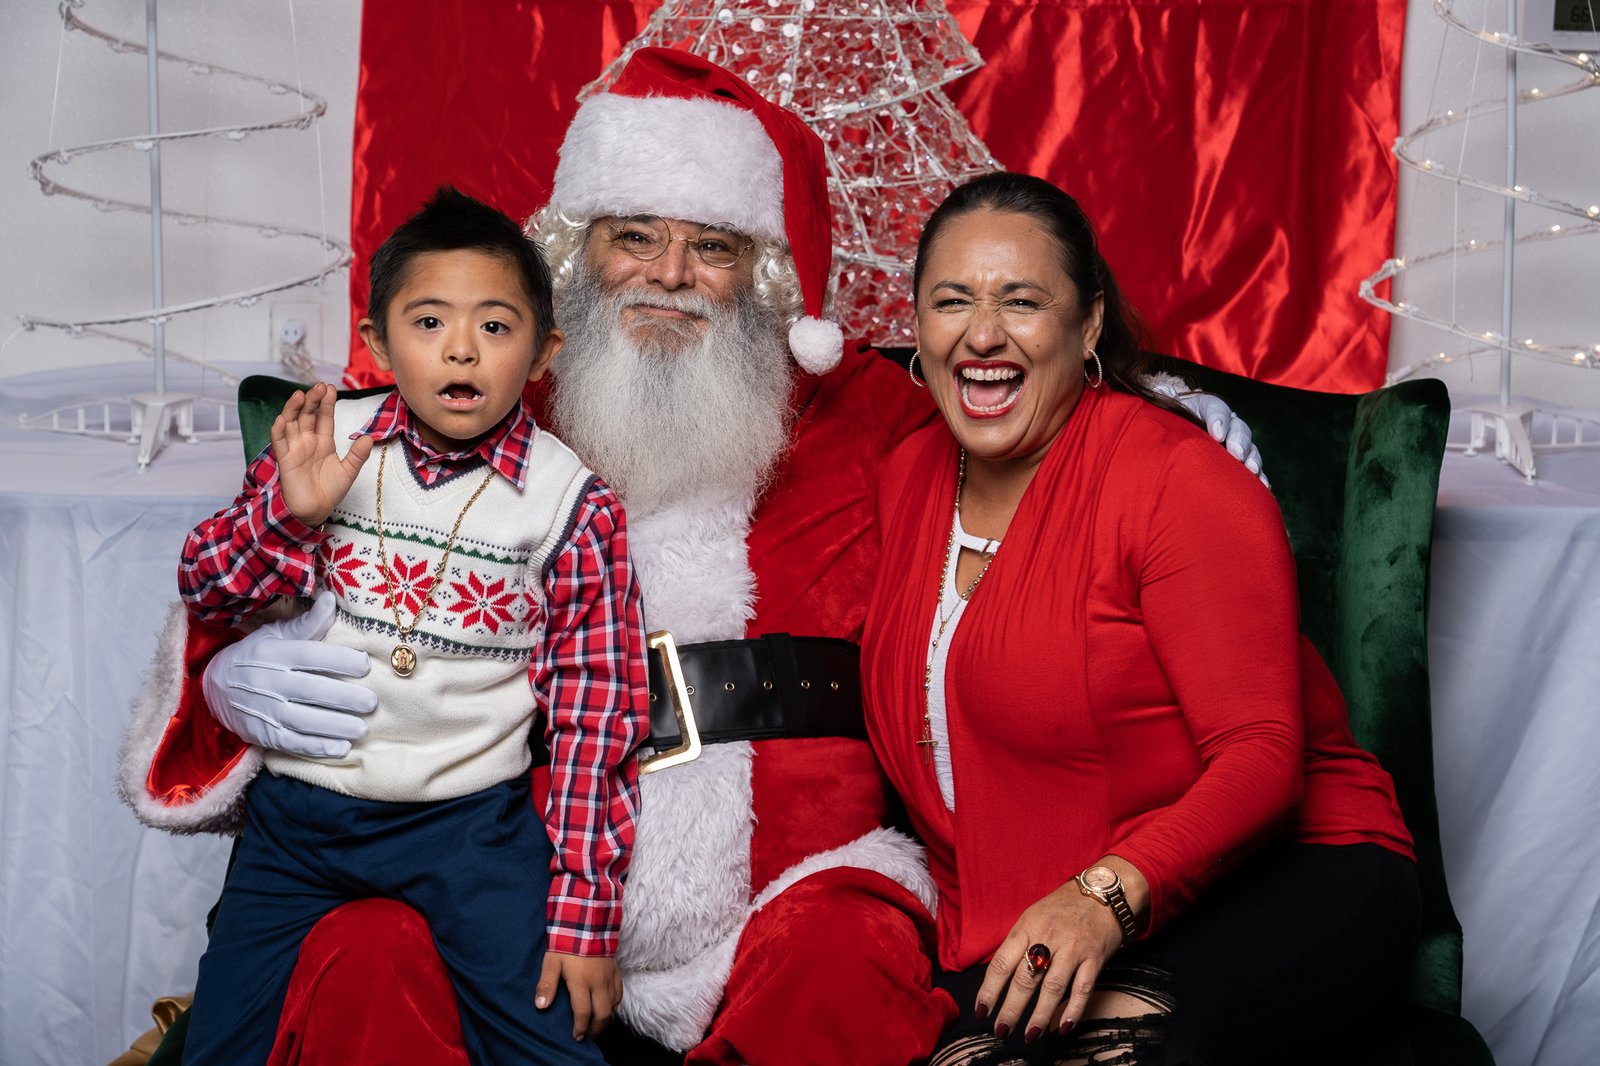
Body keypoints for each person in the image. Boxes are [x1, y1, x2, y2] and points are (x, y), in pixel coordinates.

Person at [119, 50, 1262, 1066]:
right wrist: (229, 667)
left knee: (845, 954)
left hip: (795, 876)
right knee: (367, 952)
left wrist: (1149, 416)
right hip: (510, 870)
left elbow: (1016, 405)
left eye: (713, 246)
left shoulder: (866, 414)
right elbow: (293, 532)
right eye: (634, 236)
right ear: (577, 252)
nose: (668, 271)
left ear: (765, 273)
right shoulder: (478, 394)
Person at [861, 172, 1421, 1066]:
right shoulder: (906, 478)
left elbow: (1263, 756)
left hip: (1284, 868)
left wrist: (1101, 899)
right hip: (1029, 907)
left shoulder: (1177, 480)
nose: (982, 334)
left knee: (1113, 1051)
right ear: (919, 326)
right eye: (951, 301)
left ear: (1087, 325)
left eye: (1021, 301)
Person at [168, 187, 647, 1064]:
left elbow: (597, 715)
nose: (461, 348)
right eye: (429, 322)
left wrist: (586, 913)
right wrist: (291, 516)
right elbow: (206, 589)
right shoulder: (322, 444)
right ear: (378, 341)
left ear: (545, 351)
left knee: (550, 1044)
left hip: (468, 831)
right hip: (298, 823)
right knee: (221, 1043)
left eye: (496, 326)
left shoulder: (573, 506)